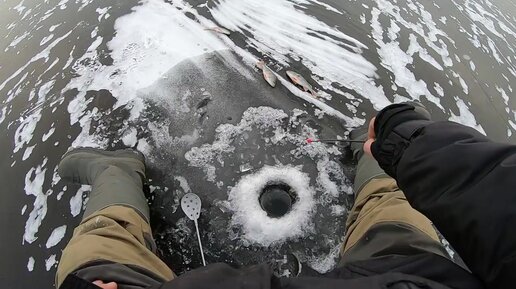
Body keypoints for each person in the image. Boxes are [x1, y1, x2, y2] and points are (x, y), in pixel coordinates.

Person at [55, 103, 515, 289]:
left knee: (99, 257)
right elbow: (502, 205)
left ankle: (116, 175)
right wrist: (408, 141)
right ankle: (374, 154)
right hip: (406, 280)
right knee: (393, 220)